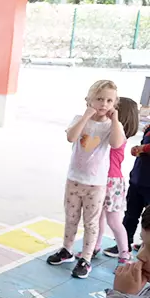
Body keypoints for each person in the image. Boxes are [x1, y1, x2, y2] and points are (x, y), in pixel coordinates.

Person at [47, 80, 126, 279]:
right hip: (74, 179)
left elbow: (117, 143)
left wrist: (115, 120)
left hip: (96, 183)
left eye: (109, 100)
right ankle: (67, 250)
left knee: (91, 223)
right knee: (71, 218)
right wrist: (85, 117)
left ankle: (86, 259)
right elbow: (71, 138)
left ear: (114, 104)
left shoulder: (111, 126)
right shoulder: (79, 118)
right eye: (99, 99)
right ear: (89, 100)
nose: (104, 104)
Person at [85, 97, 139, 269]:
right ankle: (95, 246)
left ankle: (125, 253)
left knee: (114, 221)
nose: (106, 107)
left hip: (111, 182)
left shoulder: (118, 134)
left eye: (112, 106)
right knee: (97, 218)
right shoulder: (109, 130)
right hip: (99, 179)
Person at [121, 115, 150, 256]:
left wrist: (143, 148)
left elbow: (144, 148)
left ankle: (147, 246)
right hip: (138, 178)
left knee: (149, 220)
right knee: (131, 214)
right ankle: (124, 244)